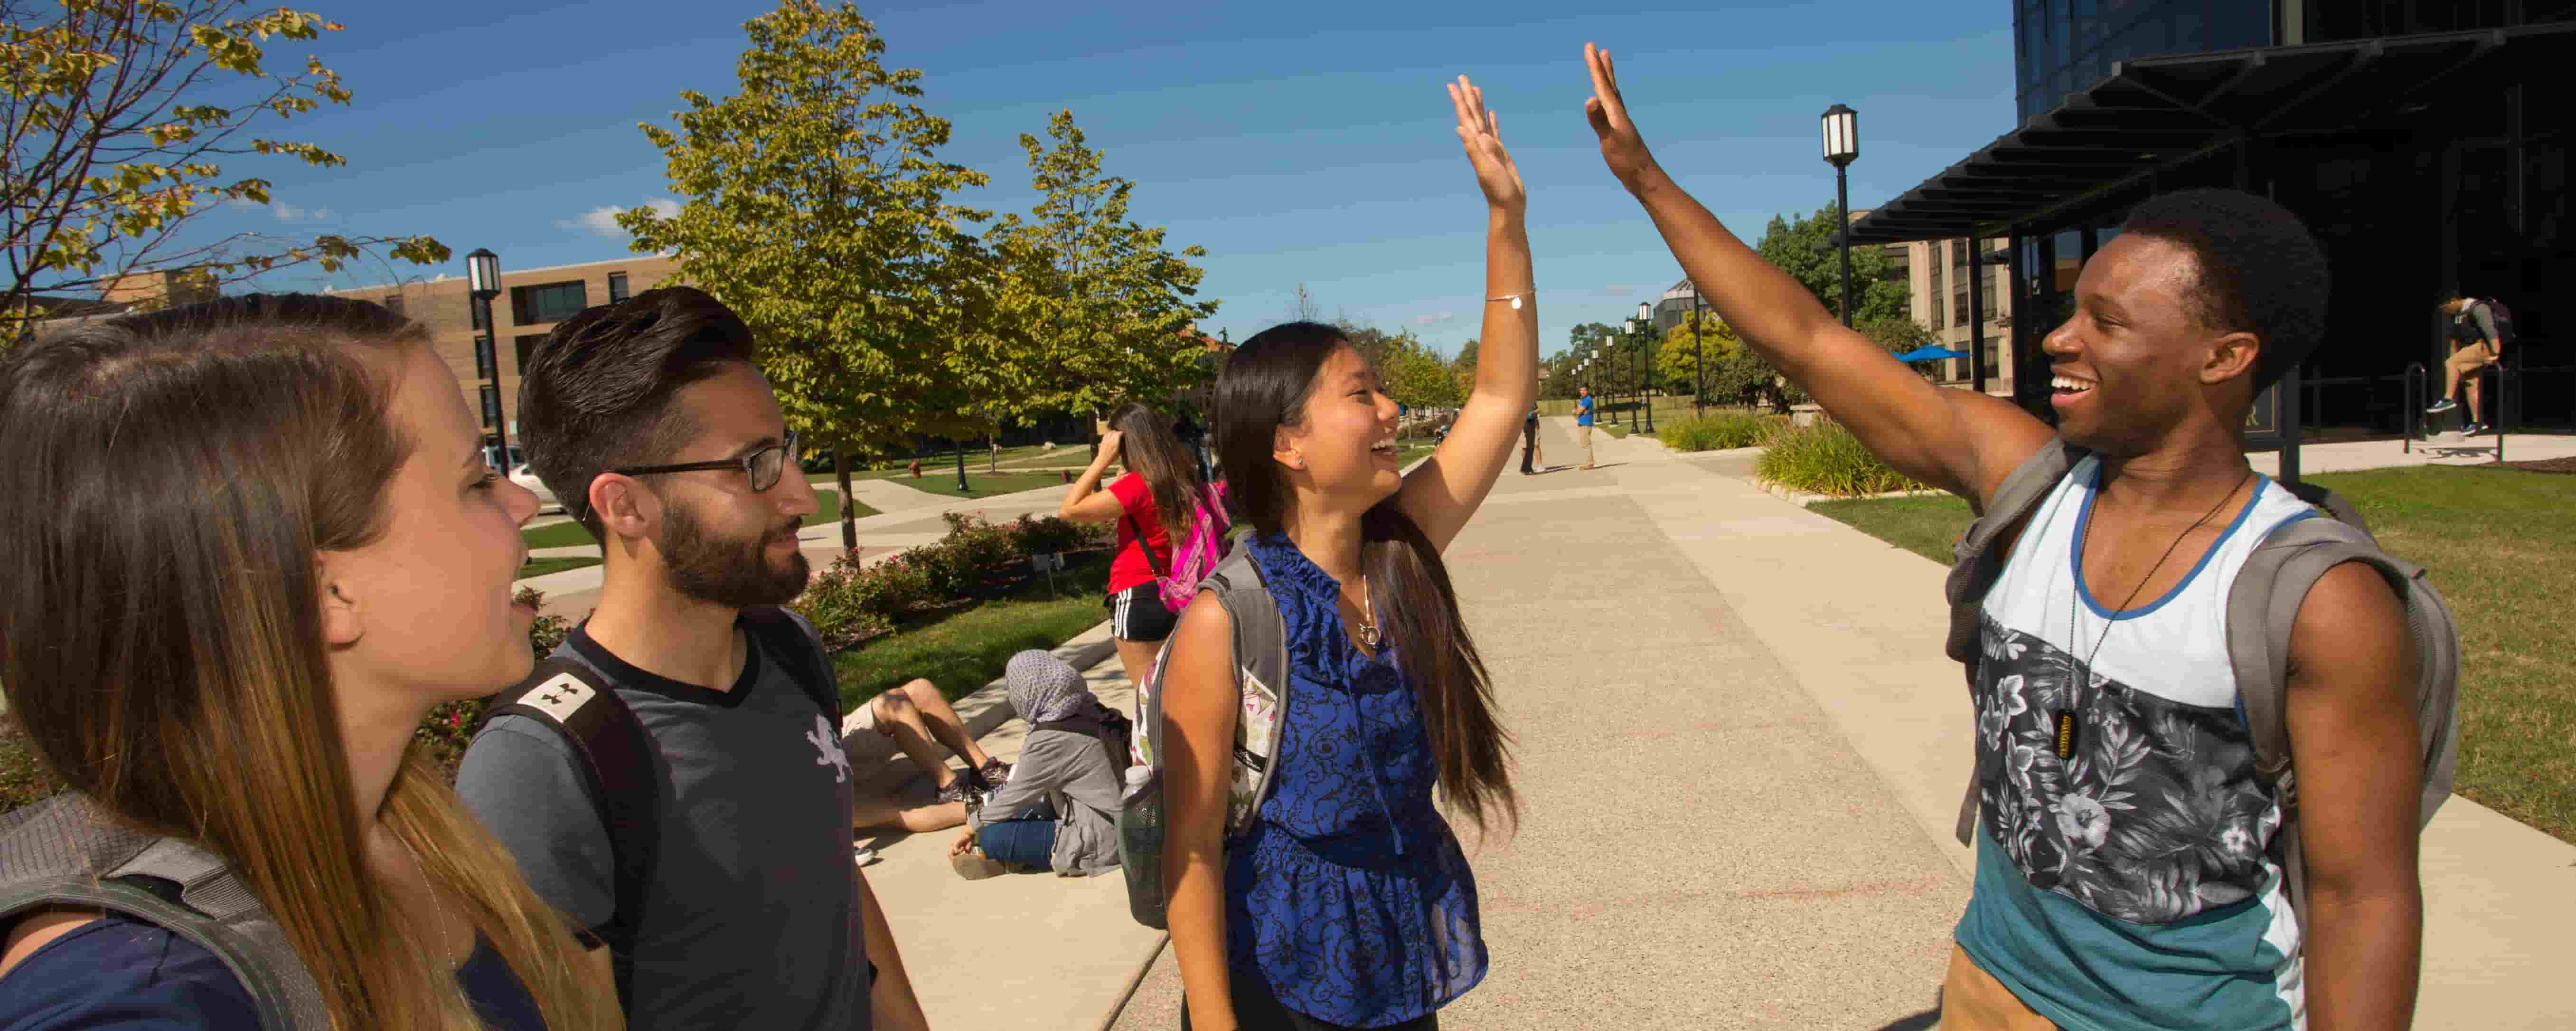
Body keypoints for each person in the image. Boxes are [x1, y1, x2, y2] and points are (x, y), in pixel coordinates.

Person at [1584, 43, 2425, 1031]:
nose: (2058, 339)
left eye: (2104, 322)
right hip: (1988, 986)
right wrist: (1644, 178)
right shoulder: (2028, 486)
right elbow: (1806, 339)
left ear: (2224, 357)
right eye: (2071, 311)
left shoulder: (2318, 598)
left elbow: (2361, 893)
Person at [0, 295, 617, 1029]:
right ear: (324, 589)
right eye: (473, 480)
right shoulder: (140, 986)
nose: (520, 501)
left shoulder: (410, 825)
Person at [1158, 75, 1534, 1031]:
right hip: (1280, 966)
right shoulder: (1228, 618)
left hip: (1397, 940)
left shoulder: (1401, 548)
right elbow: (1192, 848)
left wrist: (1506, 216)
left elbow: (1499, 396)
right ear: (1285, 443)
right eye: (1360, 395)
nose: (1389, 413)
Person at [456, 286, 929, 1030]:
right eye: (753, 465)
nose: (800, 495)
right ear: (625, 506)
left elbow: (829, 872)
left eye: (787, 451)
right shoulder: (545, 762)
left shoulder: (785, 646)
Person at [1060, 402, 1229, 685]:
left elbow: (1069, 510)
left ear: (1122, 444)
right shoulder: (1180, 477)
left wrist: (1101, 460)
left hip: (1136, 597)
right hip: (1178, 595)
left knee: (1147, 702)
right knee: (1182, 692)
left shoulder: (1137, 485)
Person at [946, 651, 1125, 880]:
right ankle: (1013, 856)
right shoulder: (1088, 707)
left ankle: (1007, 856)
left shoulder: (1049, 739)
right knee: (1020, 809)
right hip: (1115, 815)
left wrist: (971, 828)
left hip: (1102, 839)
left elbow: (1017, 794)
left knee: (992, 835)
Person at [846, 678, 1012, 834]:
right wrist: (995, 805)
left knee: (920, 689)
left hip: (831, 733)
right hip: (826, 763)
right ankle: (950, 789)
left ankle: (986, 770)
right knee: (890, 705)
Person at [2425, 293, 2508, 435]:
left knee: (2450, 363)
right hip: (2471, 350)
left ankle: (2448, 399)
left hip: (2484, 347)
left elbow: (2490, 331)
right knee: (2471, 385)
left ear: (2453, 300)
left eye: (2447, 307)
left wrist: (2496, 354)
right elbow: (2454, 342)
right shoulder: (2459, 316)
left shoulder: (2477, 308)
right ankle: (2477, 422)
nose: (2447, 311)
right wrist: (2455, 361)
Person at [1574, 385, 1598, 469]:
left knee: (1587, 444)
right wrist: (1578, 411)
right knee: (1584, 444)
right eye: (1581, 391)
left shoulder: (1587, 399)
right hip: (1582, 424)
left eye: (1584, 390)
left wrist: (1576, 411)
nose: (1582, 392)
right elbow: (1579, 412)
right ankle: (1588, 463)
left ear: (1587, 391)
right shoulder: (1583, 400)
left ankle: (1590, 464)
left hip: (1586, 424)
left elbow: (1578, 412)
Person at [1518, 403, 1542, 474]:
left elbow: (1532, 415)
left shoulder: (1532, 402)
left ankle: (1531, 467)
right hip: (1526, 425)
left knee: (1532, 447)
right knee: (1526, 448)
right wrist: (1536, 412)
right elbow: (1528, 415)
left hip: (1531, 425)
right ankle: (1527, 468)